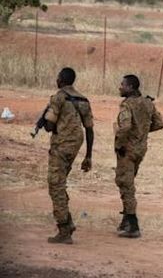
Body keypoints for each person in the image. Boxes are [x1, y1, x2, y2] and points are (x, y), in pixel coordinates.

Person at [42, 67, 94, 244]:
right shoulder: (83, 99)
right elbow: (89, 129)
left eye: (57, 77)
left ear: (61, 79)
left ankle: (64, 229)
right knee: (60, 182)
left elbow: (50, 126)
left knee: (55, 185)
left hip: (61, 146)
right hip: (75, 146)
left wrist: (45, 121)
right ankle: (68, 221)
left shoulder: (58, 97)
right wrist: (88, 156)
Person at [114, 74, 163, 238]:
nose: (120, 87)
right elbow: (159, 123)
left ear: (131, 87)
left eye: (123, 84)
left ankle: (133, 225)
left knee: (125, 184)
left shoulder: (127, 105)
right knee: (128, 181)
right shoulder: (148, 103)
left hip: (127, 150)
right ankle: (126, 220)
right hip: (141, 149)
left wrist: (119, 144)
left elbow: (125, 126)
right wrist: (141, 132)